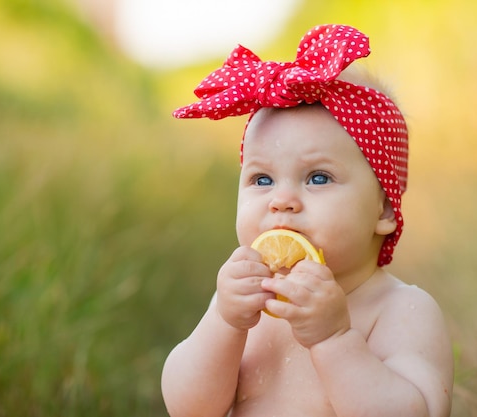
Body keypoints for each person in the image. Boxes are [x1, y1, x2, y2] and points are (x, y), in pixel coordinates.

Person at [161, 24, 453, 417]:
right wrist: (223, 322)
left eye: (318, 178)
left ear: (384, 208)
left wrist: (335, 339)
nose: (282, 201)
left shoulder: (402, 310)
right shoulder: (244, 305)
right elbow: (188, 408)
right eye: (261, 179)